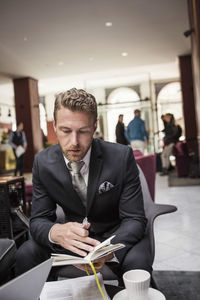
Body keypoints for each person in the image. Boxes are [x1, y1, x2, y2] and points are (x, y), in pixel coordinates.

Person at [15, 88, 152, 279]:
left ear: (94, 126)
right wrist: (55, 232)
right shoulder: (43, 163)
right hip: (71, 242)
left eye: (83, 131)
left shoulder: (121, 156)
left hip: (116, 237)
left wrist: (108, 251)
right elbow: (38, 220)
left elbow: (135, 219)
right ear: (54, 126)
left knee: (138, 262)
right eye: (65, 131)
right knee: (26, 253)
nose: (74, 142)